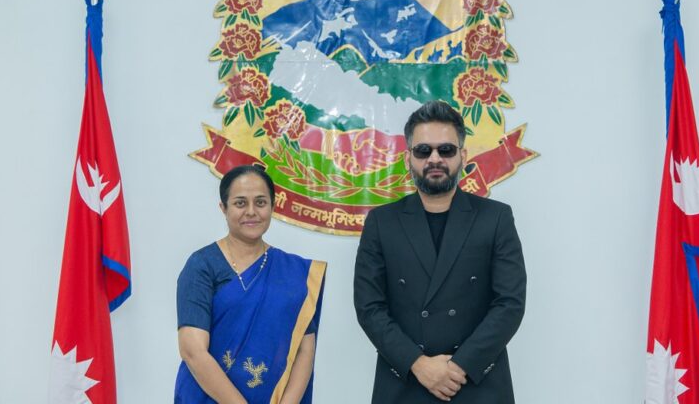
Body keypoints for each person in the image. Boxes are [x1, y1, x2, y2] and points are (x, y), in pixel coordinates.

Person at [354, 100, 526, 403]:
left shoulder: (496, 218)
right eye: (423, 151)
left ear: (463, 155)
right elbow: (369, 307)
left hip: (477, 383)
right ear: (408, 158)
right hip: (405, 383)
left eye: (445, 150)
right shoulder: (381, 222)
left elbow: (509, 303)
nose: (434, 159)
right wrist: (419, 365)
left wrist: (459, 367)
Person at [175, 165, 326, 404]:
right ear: (223, 208)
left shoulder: (294, 272)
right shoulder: (202, 265)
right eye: (240, 203)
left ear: (273, 207)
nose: (251, 212)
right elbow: (193, 351)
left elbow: (304, 349)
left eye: (261, 202)